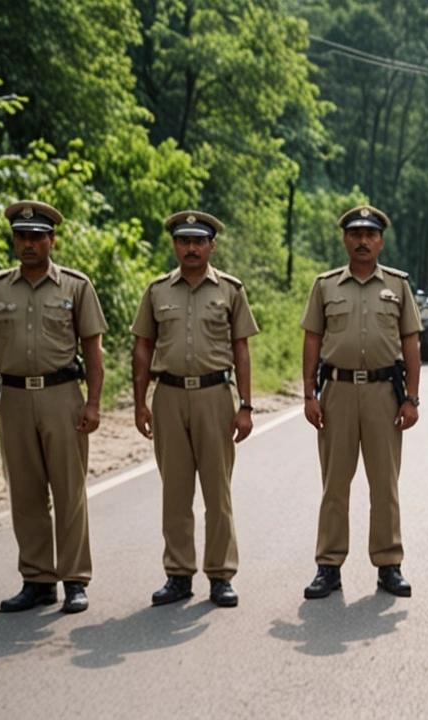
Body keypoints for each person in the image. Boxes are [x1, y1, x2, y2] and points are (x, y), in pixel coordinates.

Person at [0, 200, 107, 614]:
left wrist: (94, 404)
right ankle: (37, 579)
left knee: (69, 491)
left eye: (35, 237)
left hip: (61, 394)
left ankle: (74, 580)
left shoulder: (76, 286)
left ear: (52, 240)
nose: (27, 244)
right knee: (25, 492)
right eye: (20, 237)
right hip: (12, 398)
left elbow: (94, 349)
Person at [131, 211, 259, 608]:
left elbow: (241, 349)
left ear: (211, 245)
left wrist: (246, 405)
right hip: (168, 397)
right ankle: (178, 574)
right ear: (175, 245)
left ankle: (221, 575)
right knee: (175, 492)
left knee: (217, 491)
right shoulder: (156, 292)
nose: (191, 248)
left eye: (198, 241)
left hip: (214, 396)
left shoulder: (230, 291)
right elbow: (142, 348)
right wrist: (139, 403)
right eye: (184, 241)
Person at [300, 205, 422, 599]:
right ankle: (328, 567)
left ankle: (389, 565)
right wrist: (309, 394)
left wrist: (412, 399)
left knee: (384, 484)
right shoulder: (326, 286)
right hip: (336, 392)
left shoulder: (398, 286)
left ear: (381, 241)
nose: (363, 241)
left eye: (370, 235)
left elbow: (411, 343)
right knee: (335, 484)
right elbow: (312, 340)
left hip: (384, 394)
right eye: (356, 234)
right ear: (345, 240)